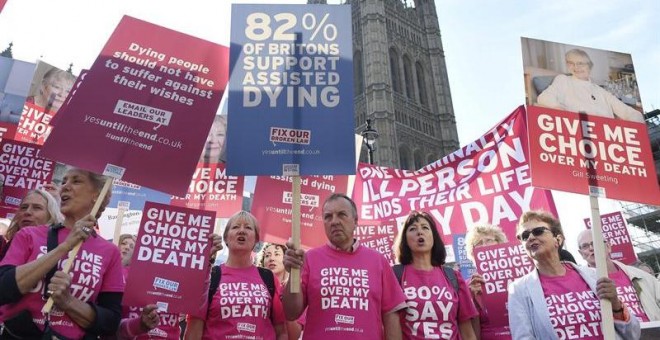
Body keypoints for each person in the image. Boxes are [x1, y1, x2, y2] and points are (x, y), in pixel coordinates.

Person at [0, 168, 125, 338]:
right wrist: (64, 246)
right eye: (64, 181)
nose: (65, 186)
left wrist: (68, 302)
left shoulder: (110, 252)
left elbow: (110, 322)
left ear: (97, 194)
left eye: (76, 181)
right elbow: (3, 289)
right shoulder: (29, 235)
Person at [283, 193, 408, 339]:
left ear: (355, 221)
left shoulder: (378, 261)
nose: (334, 221)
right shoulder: (308, 258)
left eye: (341, 215)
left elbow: (391, 315)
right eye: (328, 217)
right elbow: (291, 313)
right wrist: (294, 274)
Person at [508, 210, 640, 339]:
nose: (531, 237)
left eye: (538, 231)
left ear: (558, 240)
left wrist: (616, 304)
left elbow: (632, 334)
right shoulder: (519, 290)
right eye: (524, 236)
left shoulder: (594, 276)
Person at [184, 211, 286, 339]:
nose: (242, 231)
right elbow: (194, 329)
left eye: (248, 227)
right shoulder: (210, 276)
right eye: (236, 227)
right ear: (226, 238)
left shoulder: (269, 278)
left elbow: (281, 331)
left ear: (256, 240)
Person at [394, 210, 478, 340]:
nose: (419, 232)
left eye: (425, 228)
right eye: (412, 229)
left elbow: (467, 332)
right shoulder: (394, 275)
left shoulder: (454, 277)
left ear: (434, 237)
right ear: (405, 239)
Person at [536, 48, 645, 123]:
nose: (576, 67)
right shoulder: (563, 80)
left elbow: (628, 112)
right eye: (571, 63)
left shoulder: (600, 90)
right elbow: (544, 98)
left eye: (580, 63)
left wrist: (634, 123)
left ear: (589, 66)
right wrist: (560, 110)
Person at [577, 229, 660, 321]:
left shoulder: (642, 276)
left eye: (595, 242)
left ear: (608, 246)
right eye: (585, 246)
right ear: (581, 254)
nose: (591, 248)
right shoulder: (580, 285)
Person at [464, 224, 508, 339]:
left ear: (500, 244)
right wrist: (472, 299)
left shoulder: (517, 277)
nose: (484, 245)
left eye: (488, 240)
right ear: (472, 253)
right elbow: (470, 332)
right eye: (478, 243)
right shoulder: (467, 285)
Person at [0, 188, 63, 261]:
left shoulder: (60, 246)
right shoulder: (8, 246)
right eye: (24, 207)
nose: (27, 212)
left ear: (51, 214)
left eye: (37, 208)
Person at [259, 243, 303, 340]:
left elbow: (294, 335)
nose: (271, 259)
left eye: (277, 254)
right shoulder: (256, 290)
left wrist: (286, 304)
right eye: (267, 256)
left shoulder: (295, 291)